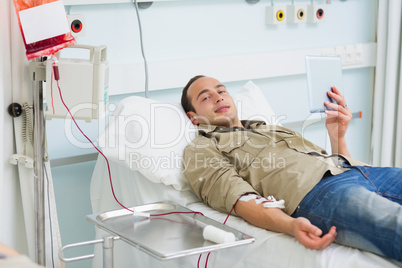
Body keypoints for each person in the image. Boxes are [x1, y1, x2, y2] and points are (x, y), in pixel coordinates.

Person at [181, 75, 402, 261]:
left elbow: (333, 161)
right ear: (193, 117)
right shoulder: (202, 148)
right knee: (395, 223)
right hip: (320, 194)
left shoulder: (270, 128)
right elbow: (240, 199)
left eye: (222, 90)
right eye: (206, 97)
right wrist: (291, 225)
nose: (219, 97)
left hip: (358, 171)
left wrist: (337, 136)